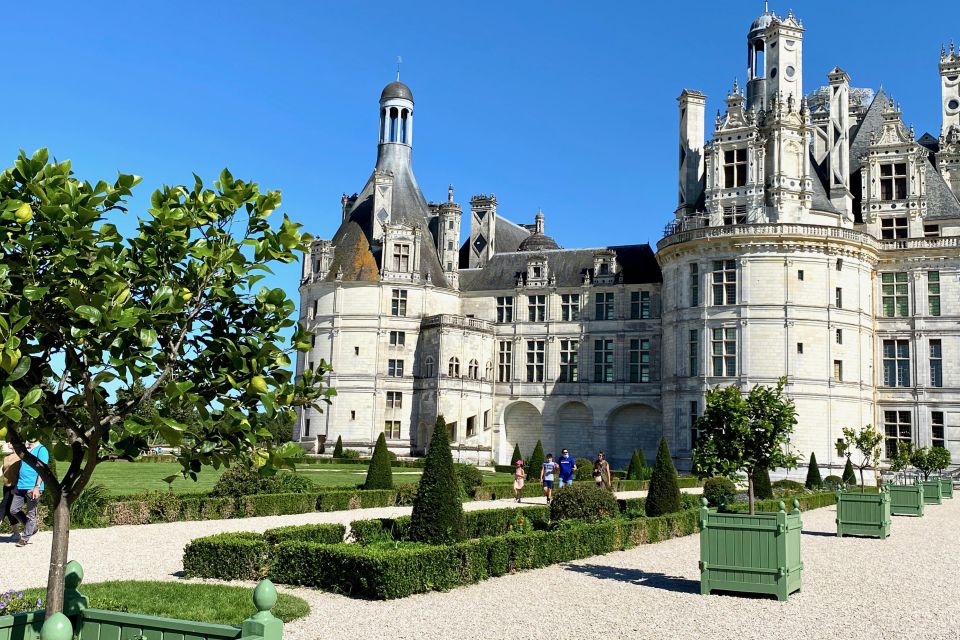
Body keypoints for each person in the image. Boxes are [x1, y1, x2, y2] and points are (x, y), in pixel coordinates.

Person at [11, 440, 49, 547]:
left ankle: (25, 538)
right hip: (21, 485)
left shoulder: (42, 450)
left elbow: (42, 469)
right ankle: (33, 527)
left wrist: (37, 487)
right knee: (13, 509)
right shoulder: (26, 449)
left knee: (31, 513)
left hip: (32, 487)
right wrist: (16, 485)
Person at [1, 443, 21, 537]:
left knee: (2, 507)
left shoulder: (20, 457)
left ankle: (30, 527)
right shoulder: (6, 457)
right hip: (6, 486)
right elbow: (3, 470)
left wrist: (17, 487)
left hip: (14, 486)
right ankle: (16, 533)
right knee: (8, 510)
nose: (8, 443)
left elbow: (22, 473)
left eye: (10, 441)